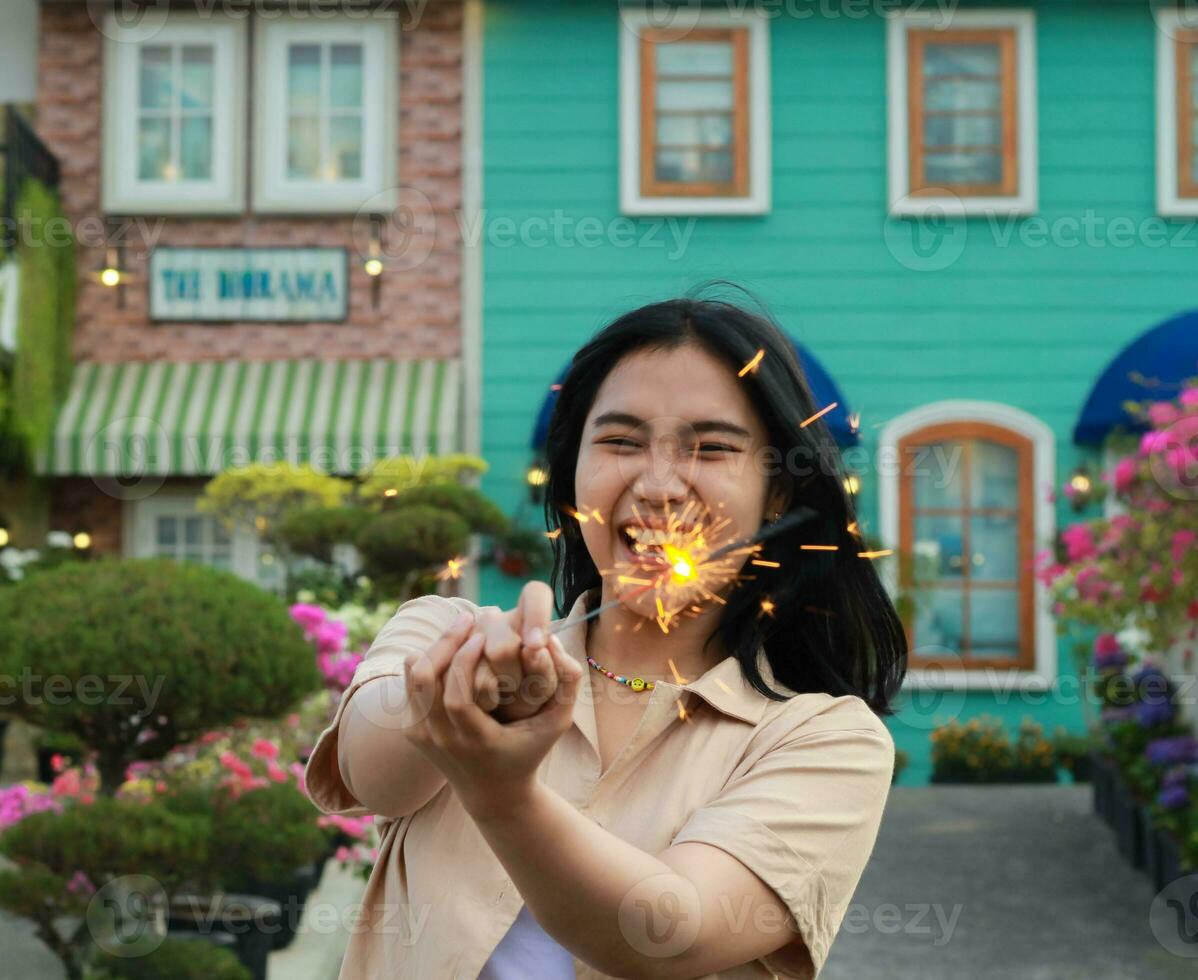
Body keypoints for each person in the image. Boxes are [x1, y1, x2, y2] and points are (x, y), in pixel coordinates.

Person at [303, 291, 907, 979]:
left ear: (777, 494)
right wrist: (440, 703)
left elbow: (668, 932)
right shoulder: (443, 636)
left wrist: (504, 792)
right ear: (572, 477)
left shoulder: (825, 741)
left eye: (712, 448)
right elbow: (372, 775)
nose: (658, 486)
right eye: (620, 442)